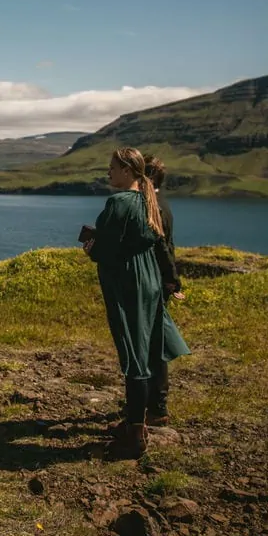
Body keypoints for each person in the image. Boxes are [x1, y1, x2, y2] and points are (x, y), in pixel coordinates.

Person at [82, 147, 190, 459]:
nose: (108, 174)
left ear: (128, 171)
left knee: (133, 351)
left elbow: (108, 248)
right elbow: (155, 241)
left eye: (112, 168)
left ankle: (135, 433)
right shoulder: (149, 200)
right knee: (147, 346)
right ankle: (140, 418)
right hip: (149, 279)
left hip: (127, 281)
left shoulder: (118, 202)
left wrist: (92, 250)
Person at [143, 154, 186, 426]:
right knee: (152, 343)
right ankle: (152, 403)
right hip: (160, 281)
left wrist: (171, 279)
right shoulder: (161, 203)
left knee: (153, 345)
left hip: (155, 282)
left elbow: (161, 246)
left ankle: (157, 407)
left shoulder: (153, 206)